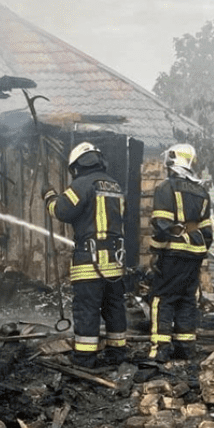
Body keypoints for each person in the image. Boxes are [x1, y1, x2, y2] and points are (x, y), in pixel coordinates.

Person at [43, 142, 128, 368]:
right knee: (114, 307)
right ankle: (117, 355)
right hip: (115, 261)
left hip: (89, 261)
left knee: (87, 309)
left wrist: (49, 196)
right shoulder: (114, 185)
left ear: (76, 166)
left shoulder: (81, 185)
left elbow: (61, 210)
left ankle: (84, 359)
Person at [147, 143, 212, 361]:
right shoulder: (202, 191)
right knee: (186, 299)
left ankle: (160, 348)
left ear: (173, 162)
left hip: (172, 252)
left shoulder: (166, 188)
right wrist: (198, 252)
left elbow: (162, 225)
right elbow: (208, 232)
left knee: (162, 298)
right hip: (194, 253)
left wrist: (154, 251)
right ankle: (186, 347)